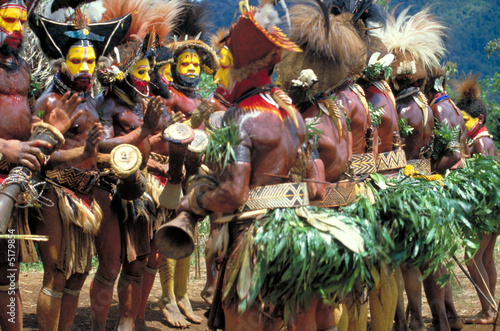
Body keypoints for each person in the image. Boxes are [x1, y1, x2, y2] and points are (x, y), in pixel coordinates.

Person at [29, 7, 131, 329]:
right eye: (78, 61)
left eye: (90, 61)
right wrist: (83, 151)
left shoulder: (92, 100)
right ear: (62, 62)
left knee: (77, 274)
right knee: (57, 273)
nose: (86, 67)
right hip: (56, 193)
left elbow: (97, 148)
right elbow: (41, 156)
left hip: (87, 195)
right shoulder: (50, 101)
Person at [0, 1, 83, 329]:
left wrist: (49, 131)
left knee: (8, 270)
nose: (17, 27)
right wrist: (5, 146)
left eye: (21, 20)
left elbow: (24, 118)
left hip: (13, 181)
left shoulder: (21, 67)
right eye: (9, 19)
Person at [89, 0, 169, 329]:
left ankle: (126, 323)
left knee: (136, 265)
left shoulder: (142, 103)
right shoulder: (106, 103)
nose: (146, 76)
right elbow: (102, 146)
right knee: (110, 266)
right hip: (109, 190)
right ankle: (97, 326)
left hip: (141, 190)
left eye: (148, 71)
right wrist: (144, 131)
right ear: (121, 70)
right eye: (140, 70)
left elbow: (155, 138)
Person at [155, 2, 220, 327]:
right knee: (171, 231)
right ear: (175, 65)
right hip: (170, 174)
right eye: (186, 62)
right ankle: (167, 298)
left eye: (196, 63)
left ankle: (182, 295)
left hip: (195, 176)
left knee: (188, 233)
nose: (192, 67)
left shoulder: (199, 97)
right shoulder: (167, 95)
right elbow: (169, 132)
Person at [457, 74, 498, 325]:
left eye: (465, 121)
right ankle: (490, 308)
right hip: (493, 209)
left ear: (479, 119)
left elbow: (482, 183)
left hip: (485, 209)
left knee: (473, 259)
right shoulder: (484, 140)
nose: (462, 126)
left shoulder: (480, 143)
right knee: (485, 258)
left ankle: (487, 310)